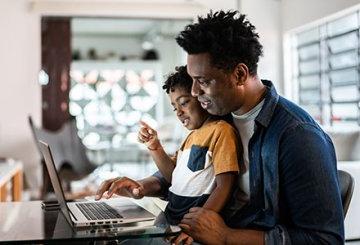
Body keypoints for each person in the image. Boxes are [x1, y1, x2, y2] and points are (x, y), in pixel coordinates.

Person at [96, 10, 344, 244]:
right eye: (192, 80)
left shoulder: (297, 136)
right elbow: (189, 171)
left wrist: (226, 237)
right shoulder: (219, 116)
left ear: (239, 75)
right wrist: (141, 187)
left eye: (203, 81)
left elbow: (324, 239)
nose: (194, 92)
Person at [138, 65, 240, 242]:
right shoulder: (191, 137)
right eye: (174, 106)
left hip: (190, 228)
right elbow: (172, 177)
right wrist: (154, 147)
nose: (178, 112)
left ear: (201, 98)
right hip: (169, 219)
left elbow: (225, 185)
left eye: (184, 102)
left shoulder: (221, 131)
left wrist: (198, 226)